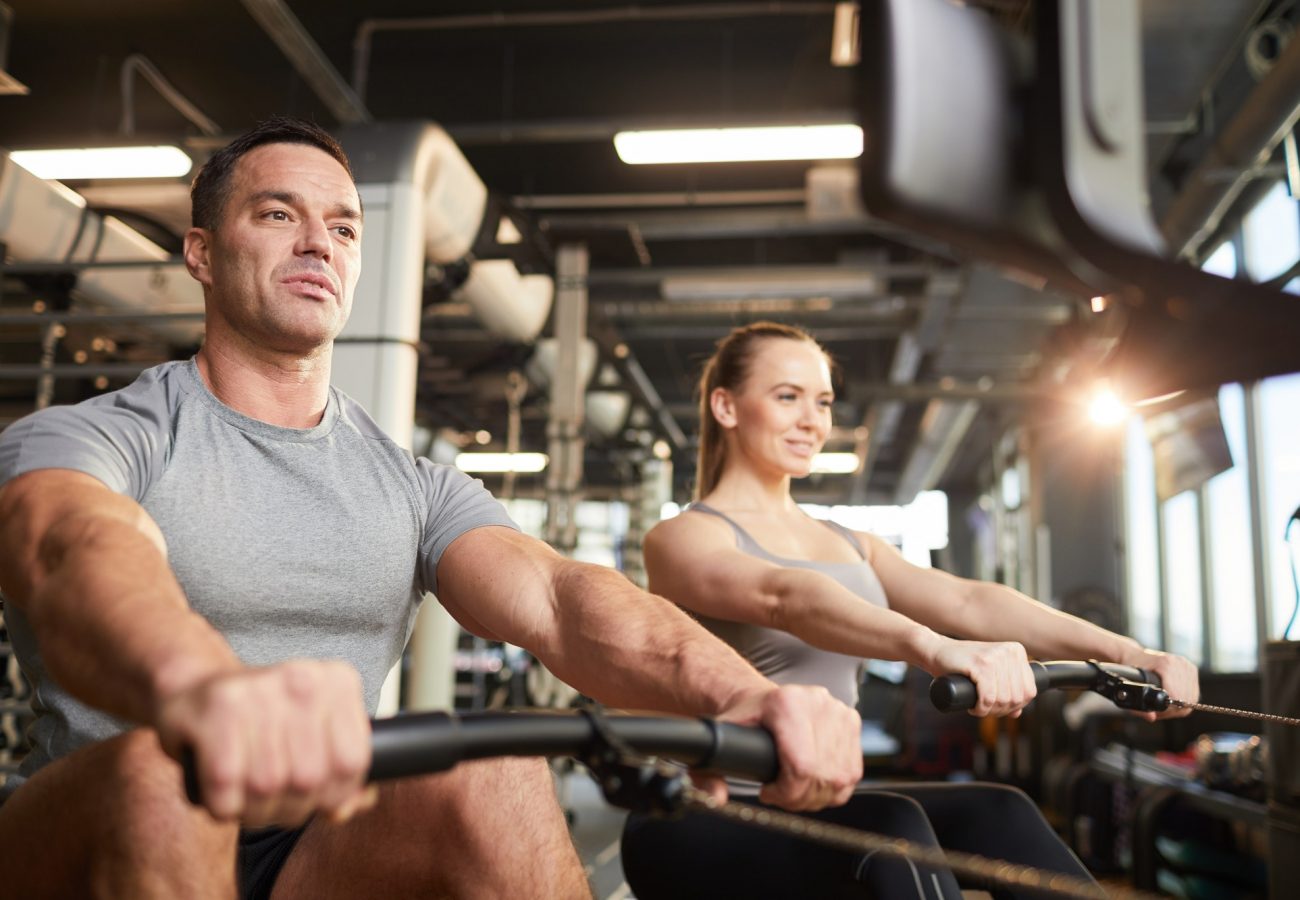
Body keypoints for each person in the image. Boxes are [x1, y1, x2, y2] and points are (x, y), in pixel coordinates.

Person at [0, 122, 864, 900]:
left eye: (343, 227)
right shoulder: (105, 436)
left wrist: (746, 696)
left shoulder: (412, 483)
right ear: (199, 252)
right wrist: (204, 694)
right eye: (276, 216)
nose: (317, 244)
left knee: (496, 769)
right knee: (163, 776)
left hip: (310, 845)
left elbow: (561, 600)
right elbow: (73, 549)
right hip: (95, 831)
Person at [621, 321, 1200, 899]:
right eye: (787, 397)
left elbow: (969, 599)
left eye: (822, 401)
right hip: (695, 815)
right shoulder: (682, 539)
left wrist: (1129, 654)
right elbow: (787, 598)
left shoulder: (852, 542)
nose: (812, 420)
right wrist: (935, 649)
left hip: (820, 806)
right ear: (726, 406)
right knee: (893, 829)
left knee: (999, 813)